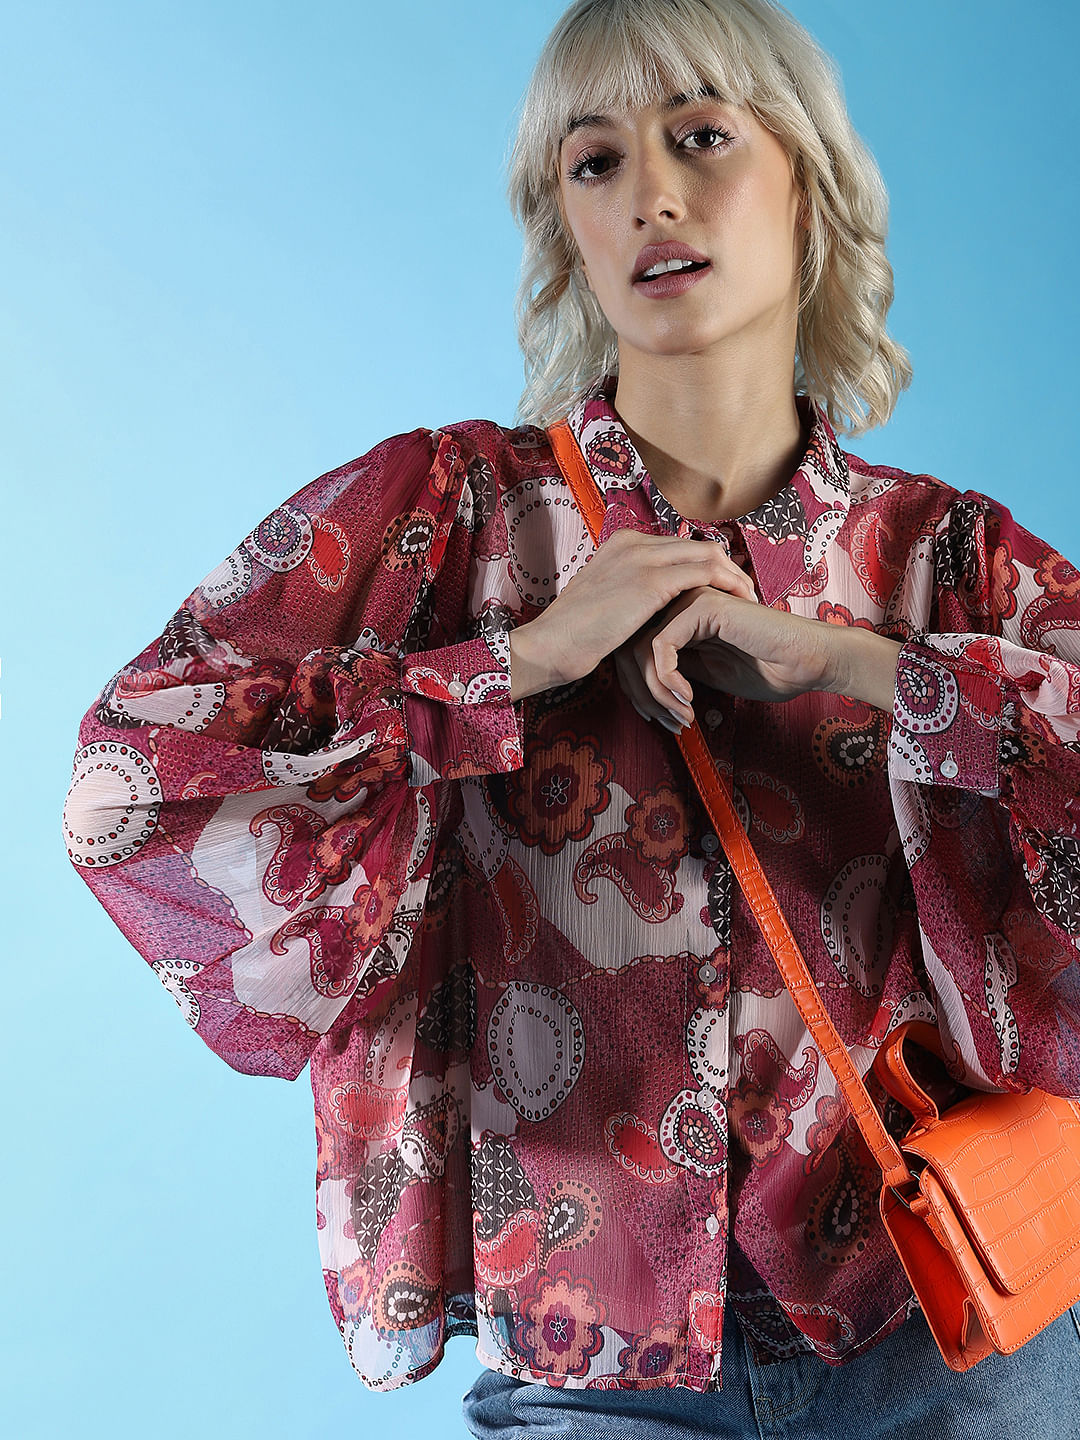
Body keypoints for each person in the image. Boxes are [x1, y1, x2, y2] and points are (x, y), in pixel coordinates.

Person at [62, 0, 1080, 1434]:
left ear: (808, 183)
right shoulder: (446, 519)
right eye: (595, 161)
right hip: (590, 1354)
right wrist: (517, 663)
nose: (651, 192)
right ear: (568, 229)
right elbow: (133, 790)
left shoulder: (943, 555)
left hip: (950, 1320)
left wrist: (859, 665)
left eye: (701, 137)